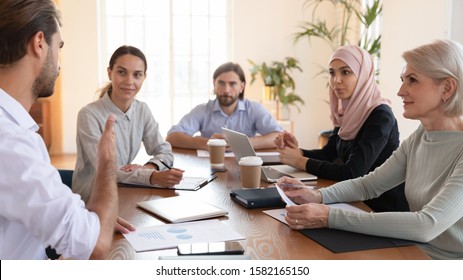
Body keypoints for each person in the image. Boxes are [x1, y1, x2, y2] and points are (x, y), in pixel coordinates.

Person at [278, 39, 463, 260]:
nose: (400, 91)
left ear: (448, 87)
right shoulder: (421, 135)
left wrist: (328, 216)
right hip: (410, 248)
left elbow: (427, 225)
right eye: (402, 80)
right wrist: (317, 196)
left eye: (412, 81)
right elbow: (370, 184)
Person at [0, 0, 120, 259]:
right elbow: (97, 245)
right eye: (60, 47)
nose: (60, 64)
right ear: (40, 43)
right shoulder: (10, 141)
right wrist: (107, 161)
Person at [274, 45, 408, 212]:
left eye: (345, 72)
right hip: (352, 201)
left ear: (363, 75)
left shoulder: (380, 116)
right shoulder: (348, 112)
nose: (336, 80)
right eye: (332, 73)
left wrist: (301, 161)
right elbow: (329, 154)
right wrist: (297, 152)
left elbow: (352, 172)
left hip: (379, 209)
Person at [73, 45, 184, 203]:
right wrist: (152, 177)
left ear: (144, 77)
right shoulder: (88, 115)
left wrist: (149, 168)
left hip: (125, 190)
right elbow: (107, 170)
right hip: (91, 200)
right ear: (109, 72)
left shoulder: (142, 110)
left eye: (137, 75)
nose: (129, 81)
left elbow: (165, 151)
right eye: (121, 72)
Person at [166, 62, 283, 150]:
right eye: (221, 83)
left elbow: (278, 136)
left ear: (242, 87)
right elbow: (172, 137)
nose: (226, 90)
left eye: (232, 84)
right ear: (214, 84)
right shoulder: (202, 110)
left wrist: (242, 143)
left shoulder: (254, 109)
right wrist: (207, 143)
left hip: (244, 168)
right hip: (209, 168)